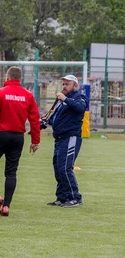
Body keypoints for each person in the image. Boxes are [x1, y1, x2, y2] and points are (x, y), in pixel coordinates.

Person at [0, 67, 41, 216]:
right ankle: (6, 206)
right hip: (18, 137)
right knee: (11, 172)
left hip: (1, 135)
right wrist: (35, 141)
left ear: (7, 77)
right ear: (19, 79)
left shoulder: (0, 93)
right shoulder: (28, 95)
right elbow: (34, 119)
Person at [47, 74, 87, 208]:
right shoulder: (62, 101)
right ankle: (62, 197)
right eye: (63, 84)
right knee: (58, 168)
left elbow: (80, 108)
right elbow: (56, 118)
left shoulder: (79, 97)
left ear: (75, 86)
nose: (64, 86)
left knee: (65, 167)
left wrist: (65, 99)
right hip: (59, 138)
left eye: (67, 84)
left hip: (71, 138)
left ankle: (75, 197)